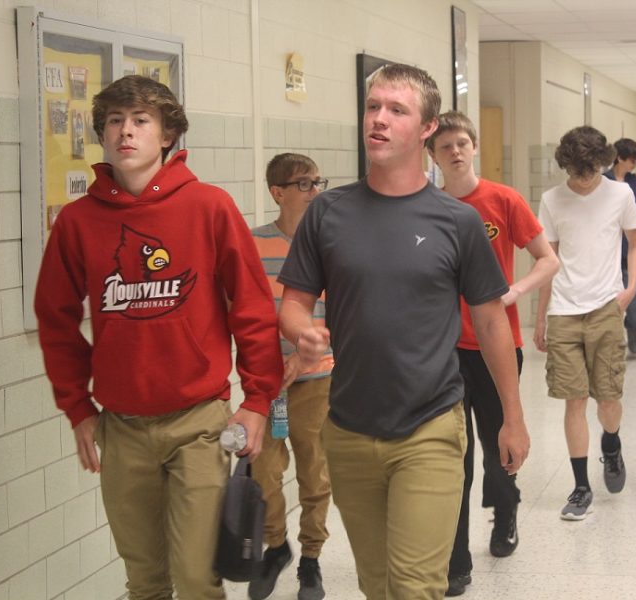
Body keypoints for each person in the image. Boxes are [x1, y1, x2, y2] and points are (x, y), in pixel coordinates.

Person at [277, 64, 530, 600]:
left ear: (427, 129)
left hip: (430, 426)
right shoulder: (328, 212)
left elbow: (490, 322)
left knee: (415, 588)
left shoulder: (455, 221)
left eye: (397, 110)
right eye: (373, 107)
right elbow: (294, 302)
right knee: (378, 586)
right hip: (346, 429)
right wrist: (303, 332)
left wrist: (512, 415)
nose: (380, 120)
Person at [34, 75, 284, 598]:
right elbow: (55, 319)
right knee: (145, 580)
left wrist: (258, 399)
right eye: (115, 121)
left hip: (199, 421)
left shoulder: (209, 206)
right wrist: (78, 407)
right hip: (121, 427)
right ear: (102, 133)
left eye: (141, 121)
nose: (126, 132)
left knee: (196, 577)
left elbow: (253, 308)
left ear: (166, 134)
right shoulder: (79, 222)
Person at [425, 111, 558, 597]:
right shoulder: (427, 206)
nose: (455, 152)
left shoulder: (503, 200)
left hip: (497, 347)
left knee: (499, 444)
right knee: (450, 457)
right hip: (442, 351)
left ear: (474, 147)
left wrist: (512, 291)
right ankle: (455, 558)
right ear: (433, 156)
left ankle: (505, 514)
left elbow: (549, 259)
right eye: (445, 147)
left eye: (462, 143)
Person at [535, 126, 636, 521]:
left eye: (592, 171)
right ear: (567, 166)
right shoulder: (551, 199)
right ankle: (581, 487)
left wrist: (630, 289)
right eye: (578, 172)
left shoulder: (621, 193)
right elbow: (548, 259)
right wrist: (541, 317)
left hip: (605, 308)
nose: (584, 180)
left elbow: (634, 244)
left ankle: (611, 443)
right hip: (564, 310)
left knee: (609, 400)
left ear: (602, 163)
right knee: (573, 399)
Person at [250, 153, 333, 600]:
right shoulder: (252, 243)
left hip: (317, 378)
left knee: (315, 474)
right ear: (277, 192)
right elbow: (241, 312)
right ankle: (276, 545)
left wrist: (303, 357)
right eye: (303, 184)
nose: (314, 191)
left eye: (317, 181)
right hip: (265, 384)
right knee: (263, 471)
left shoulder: (329, 244)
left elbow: (344, 309)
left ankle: (312, 560)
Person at [604, 138, 636, 356]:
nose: (634, 164)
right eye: (632, 160)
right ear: (619, 157)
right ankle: (612, 343)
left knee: (634, 297)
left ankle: (634, 334)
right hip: (606, 255)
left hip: (629, 252)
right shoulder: (602, 182)